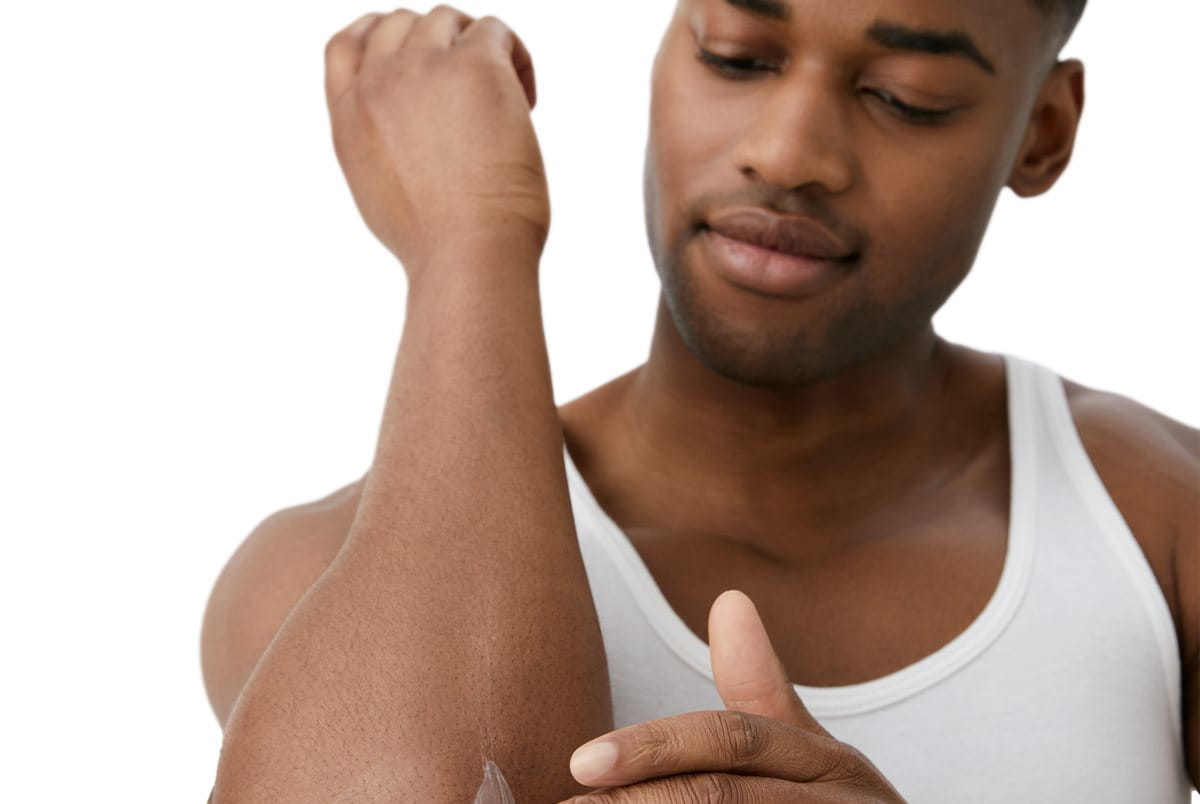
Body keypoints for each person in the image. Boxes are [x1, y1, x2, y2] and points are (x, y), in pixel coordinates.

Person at [200, 1, 1198, 801]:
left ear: (1043, 131)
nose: (789, 150)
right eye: (738, 55)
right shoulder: (321, 581)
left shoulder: (1159, 518)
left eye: (907, 97)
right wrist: (473, 245)